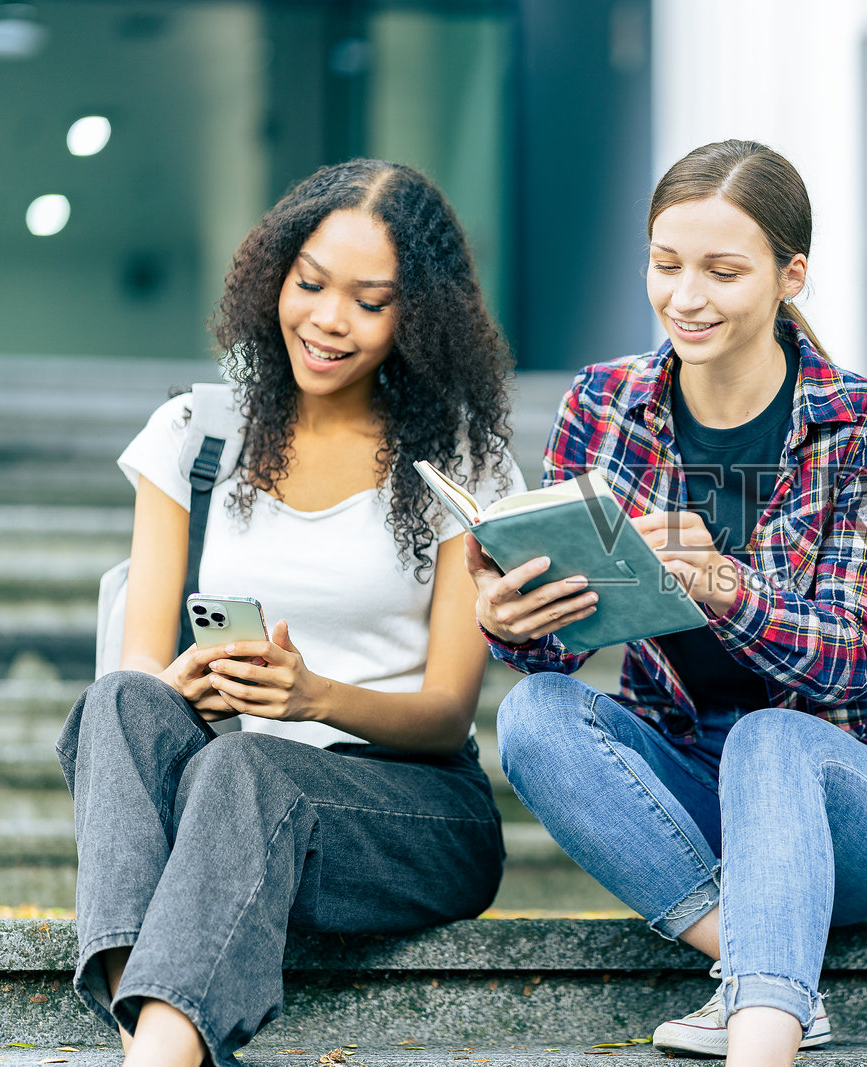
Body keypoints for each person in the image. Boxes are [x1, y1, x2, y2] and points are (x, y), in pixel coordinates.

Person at [468, 139, 867, 1066]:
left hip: (853, 799)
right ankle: (764, 973)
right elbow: (565, 649)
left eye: (722, 271)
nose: (685, 297)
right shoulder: (603, 401)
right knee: (535, 714)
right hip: (692, 788)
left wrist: (723, 586)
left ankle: (758, 1037)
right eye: (666, 265)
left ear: (790, 275)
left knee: (767, 736)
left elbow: (852, 649)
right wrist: (516, 619)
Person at [56, 159, 522, 1067]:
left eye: (370, 300)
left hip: (407, 811)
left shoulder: (465, 462)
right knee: (121, 701)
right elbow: (141, 672)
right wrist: (188, 684)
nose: (327, 318)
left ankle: (156, 1046)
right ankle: (153, 1029)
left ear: (417, 318)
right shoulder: (196, 433)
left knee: (250, 769)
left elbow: (444, 718)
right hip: (218, 801)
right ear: (275, 275)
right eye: (308, 282)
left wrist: (313, 696)